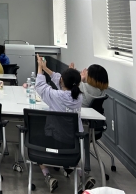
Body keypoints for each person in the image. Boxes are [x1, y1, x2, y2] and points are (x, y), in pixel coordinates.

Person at [35, 55, 95, 192]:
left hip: (54, 139)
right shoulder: (79, 97)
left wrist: (40, 67)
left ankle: (48, 176)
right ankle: (82, 176)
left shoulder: (56, 96)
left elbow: (40, 86)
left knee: (36, 142)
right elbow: (61, 83)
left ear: (62, 81)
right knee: (69, 155)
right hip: (73, 142)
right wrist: (47, 68)